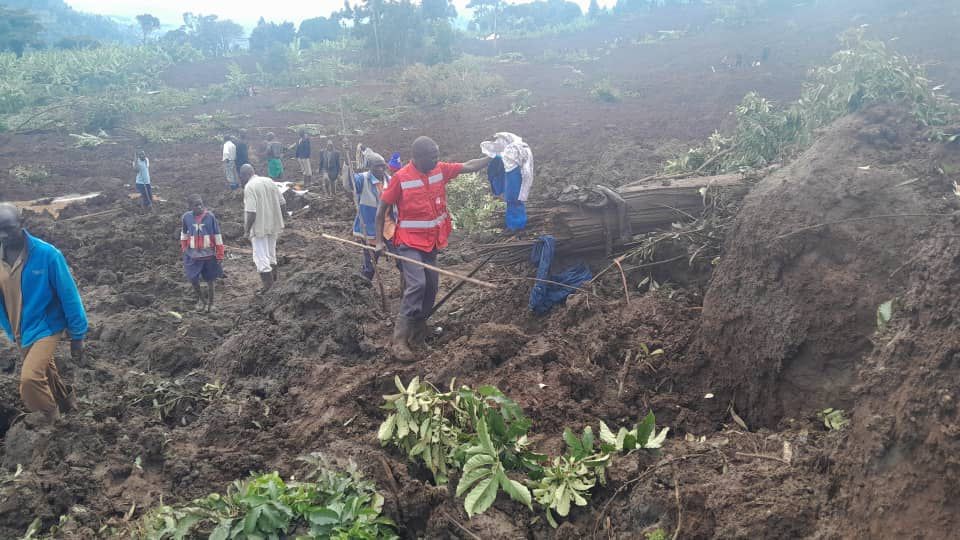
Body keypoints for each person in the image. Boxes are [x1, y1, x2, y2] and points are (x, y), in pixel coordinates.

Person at [375, 136, 491, 360]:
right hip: (408, 242)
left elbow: (468, 166)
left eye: (438, 155)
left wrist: (493, 157)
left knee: (431, 286)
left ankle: (419, 329)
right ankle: (399, 339)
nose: (437, 159)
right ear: (417, 158)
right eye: (433, 156)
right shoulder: (400, 178)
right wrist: (379, 241)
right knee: (417, 284)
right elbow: (381, 212)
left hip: (432, 242)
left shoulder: (439, 170)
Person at [0, 203, 87, 424]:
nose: (3, 235)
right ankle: (68, 405)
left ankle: (52, 420)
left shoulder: (47, 255)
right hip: (20, 328)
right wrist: (9, 329)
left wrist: (78, 335)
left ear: (22, 224)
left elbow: (69, 295)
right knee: (45, 372)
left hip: (47, 326)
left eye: (8, 228)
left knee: (30, 379)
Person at [240, 164, 286, 292]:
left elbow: (251, 212)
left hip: (259, 227)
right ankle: (275, 283)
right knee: (271, 254)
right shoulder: (269, 181)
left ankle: (268, 288)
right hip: (273, 224)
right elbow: (283, 202)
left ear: (245, 175)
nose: (241, 179)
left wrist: (246, 231)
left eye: (241, 177)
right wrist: (283, 219)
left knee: (260, 257)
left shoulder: (249, 187)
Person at [352, 152, 395, 282]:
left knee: (402, 261)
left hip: (390, 226)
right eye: (377, 166)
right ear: (370, 166)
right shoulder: (362, 179)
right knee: (370, 266)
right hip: (370, 228)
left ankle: (406, 290)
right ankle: (364, 289)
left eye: (383, 166)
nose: (381, 169)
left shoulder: (391, 181)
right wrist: (347, 166)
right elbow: (349, 184)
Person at [180, 195, 225, 312]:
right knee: (193, 278)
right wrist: (184, 248)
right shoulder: (186, 217)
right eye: (196, 205)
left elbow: (217, 235)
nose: (199, 207)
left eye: (201, 204)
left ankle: (211, 303)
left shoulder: (210, 217)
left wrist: (220, 253)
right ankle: (201, 300)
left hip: (208, 254)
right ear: (190, 207)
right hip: (192, 255)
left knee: (210, 279)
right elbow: (184, 233)